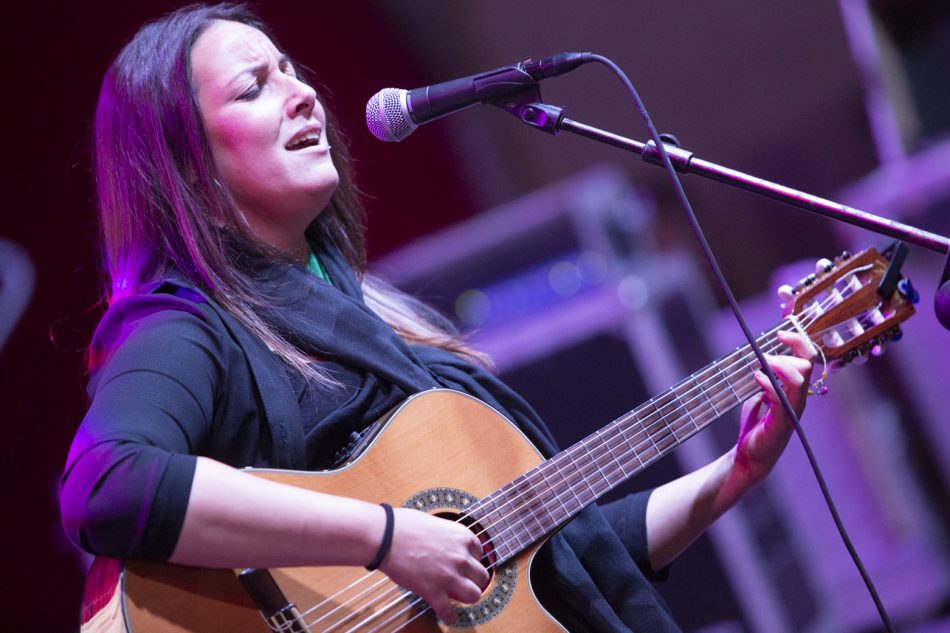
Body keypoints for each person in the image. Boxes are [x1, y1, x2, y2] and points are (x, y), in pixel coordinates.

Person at [60, 4, 814, 631]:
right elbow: (107, 484)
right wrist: (386, 536)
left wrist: (733, 474)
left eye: (292, 71)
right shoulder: (183, 324)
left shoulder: (377, 316)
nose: (302, 95)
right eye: (255, 87)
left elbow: (561, 562)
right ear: (187, 165)